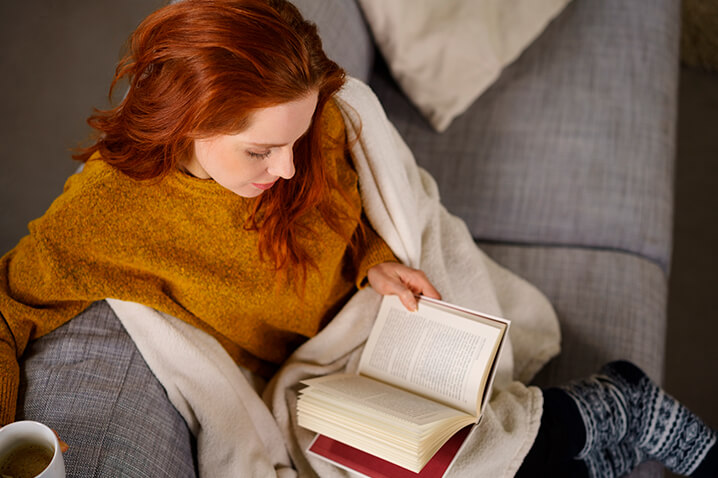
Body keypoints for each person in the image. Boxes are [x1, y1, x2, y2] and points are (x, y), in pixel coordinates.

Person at [0, 1, 715, 477]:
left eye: (297, 140)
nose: (286, 169)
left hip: (376, 316)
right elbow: (6, 312)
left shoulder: (313, 128)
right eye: (259, 152)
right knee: (444, 461)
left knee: (459, 446)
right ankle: (612, 407)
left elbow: (355, 191)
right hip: (308, 378)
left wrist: (375, 257)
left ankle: (616, 410)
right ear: (186, 123)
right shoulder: (105, 216)